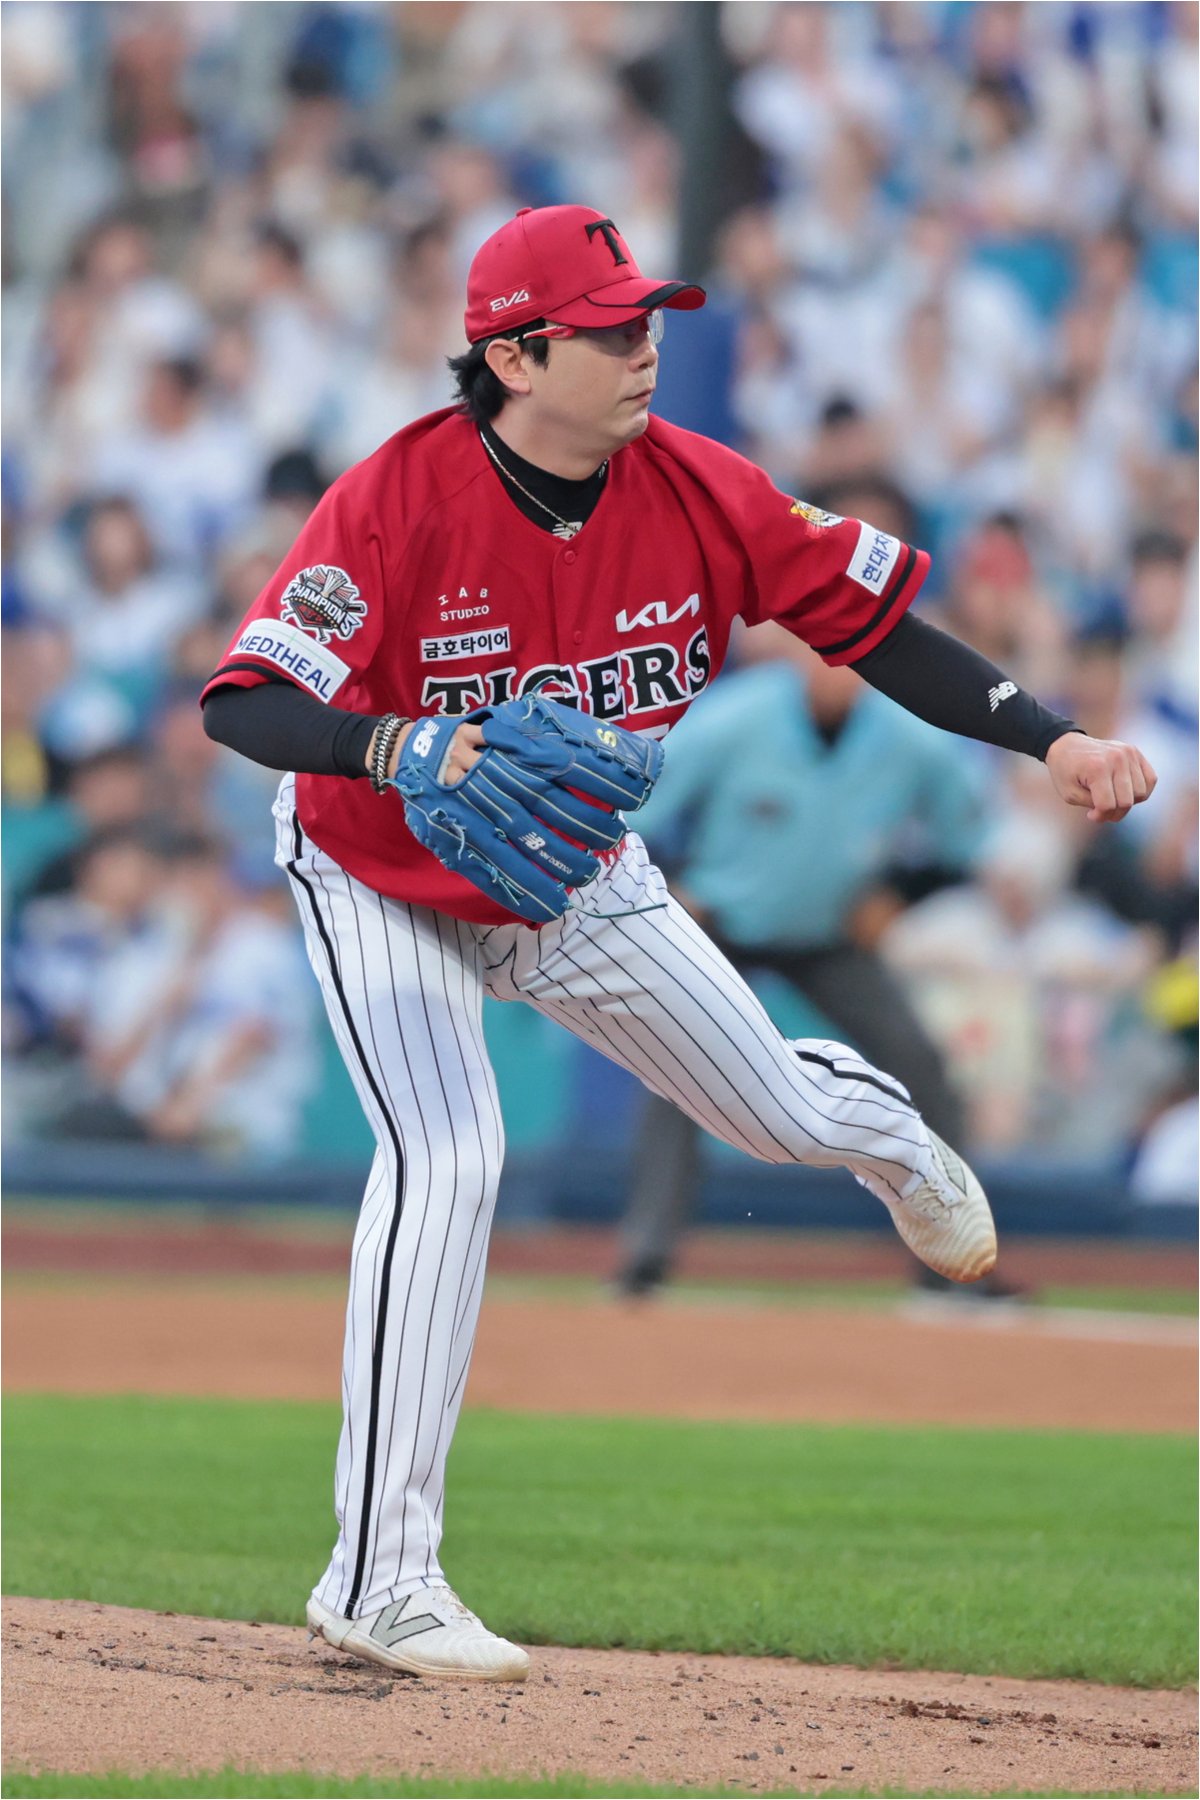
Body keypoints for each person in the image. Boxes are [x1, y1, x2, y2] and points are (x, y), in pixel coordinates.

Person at [200, 204, 1156, 1684]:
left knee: (779, 1116)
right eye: (610, 327)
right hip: (374, 866)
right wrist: (397, 745)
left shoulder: (702, 490)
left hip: (574, 874)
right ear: (516, 356)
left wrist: (1054, 738)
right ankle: (380, 1578)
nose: (646, 345)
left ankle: (891, 1139)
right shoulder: (395, 497)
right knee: (451, 1156)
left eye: (648, 317)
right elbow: (247, 703)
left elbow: (876, 630)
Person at [614, 628, 985, 1296]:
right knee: (676, 1070)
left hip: (829, 934)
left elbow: (965, 842)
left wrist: (898, 894)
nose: (834, 666)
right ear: (795, 652)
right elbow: (637, 809)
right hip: (721, 927)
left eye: (849, 656)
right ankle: (646, 1254)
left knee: (918, 1063)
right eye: (821, 650)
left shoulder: (910, 739)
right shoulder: (736, 717)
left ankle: (952, 1260)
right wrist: (670, 886)